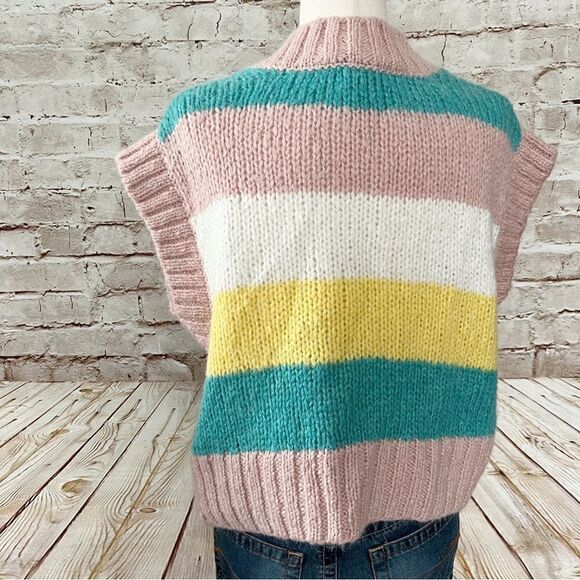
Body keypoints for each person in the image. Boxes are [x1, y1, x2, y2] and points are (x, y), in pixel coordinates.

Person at [116, 0, 558, 577]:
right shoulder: (485, 124)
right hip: (418, 503)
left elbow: (207, 317)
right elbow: (481, 295)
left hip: (264, 494)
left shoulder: (202, 119)